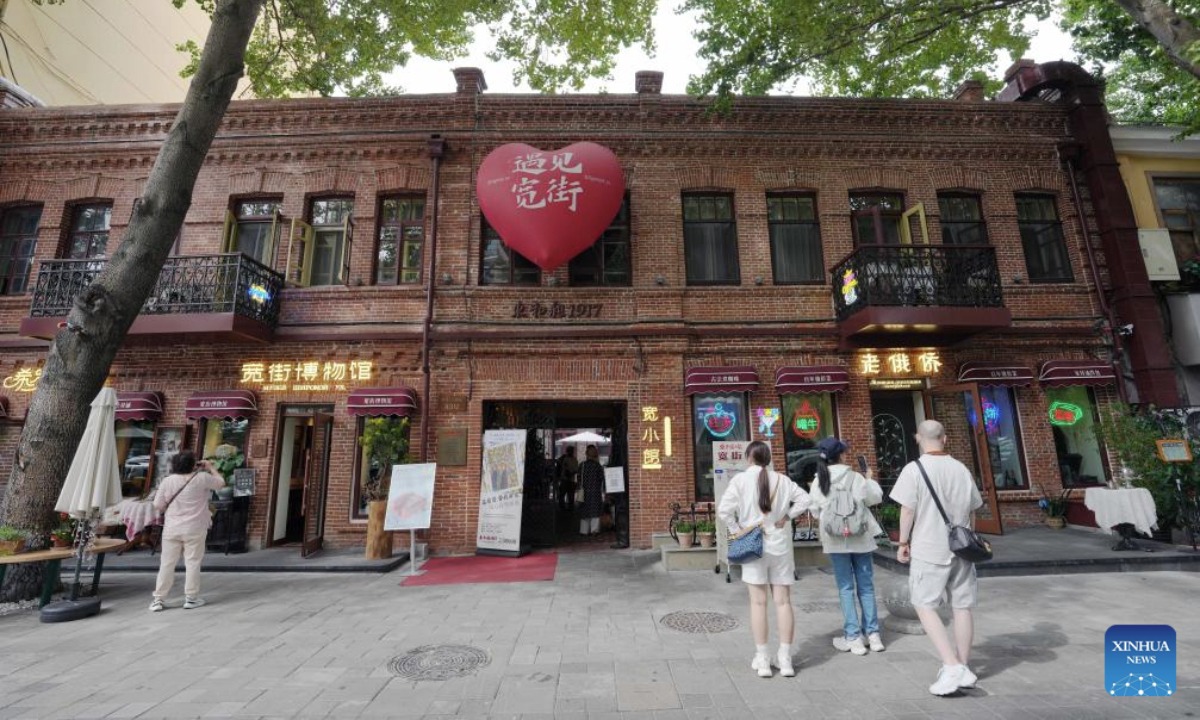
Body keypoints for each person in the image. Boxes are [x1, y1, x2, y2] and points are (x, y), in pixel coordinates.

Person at [890, 420, 985, 696]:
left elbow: (907, 510)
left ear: (918, 437)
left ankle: (951, 664)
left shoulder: (914, 469)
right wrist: (968, 538)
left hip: (929, 547)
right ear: (944, 439)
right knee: (962, 606)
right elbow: (973, 510)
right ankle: (963, 666)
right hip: (962, 548)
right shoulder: (961, 468)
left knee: (923, 604)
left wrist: (903, 541)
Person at [717, 441, 811, 678]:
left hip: (753, 544)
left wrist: (737, 529)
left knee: (758, 603)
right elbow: (805, 500)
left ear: (749, 458)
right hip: (779, 544)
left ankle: (763, 659)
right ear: (768, 458)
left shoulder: (739, 481)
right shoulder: (783, 480)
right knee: (783, 602)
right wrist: (786, 517)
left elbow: (724, 511)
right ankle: (785, 659)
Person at [808, 437, 885, 656]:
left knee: (845, 588)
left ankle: (853, 637)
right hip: (860, 538)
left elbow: (815, 511)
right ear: (841, 455)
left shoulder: (819, 481)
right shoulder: (856, 478)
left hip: (835, 540)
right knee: (866, 586)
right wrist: (869, 479)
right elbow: (874, 499)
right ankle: (873, 634)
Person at [150, 451, 226, 612]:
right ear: (193, 464)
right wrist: (211, 467)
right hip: (195, 527)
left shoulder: (167, 481)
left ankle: (158, 599)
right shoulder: (202, 478)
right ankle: (191, 598)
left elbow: (157, 505)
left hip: (172, 528)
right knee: (192, 562)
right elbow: (221, 483)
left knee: (167, 564)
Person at [578, 445, 605, 535]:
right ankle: (594, 530)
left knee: (585, 511)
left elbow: (578, 479)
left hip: (584, 491)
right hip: (595, 491)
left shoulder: (582, 465)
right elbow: (602, 478)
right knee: (595, 511)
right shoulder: (597, 466)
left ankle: (584, 530)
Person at [556, 446, 580, 512]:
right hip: (564, 479)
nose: (570, 451)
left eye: (571, 450)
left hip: (571, 480)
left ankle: (570, 509)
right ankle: (562, 508)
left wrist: (571, 473)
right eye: (569, 450)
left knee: (571, 496)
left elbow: (576, 470)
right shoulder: (563, 458)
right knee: (562, 495)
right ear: (567, 451)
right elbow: (558, 463)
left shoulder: (574, 459)